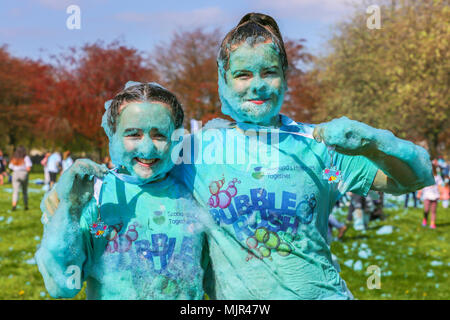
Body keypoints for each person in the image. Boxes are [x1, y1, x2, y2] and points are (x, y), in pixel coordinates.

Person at [169, 13, 434, 299]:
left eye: (269, 72)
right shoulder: (195, 152)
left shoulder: (318, 144)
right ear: (224, 79)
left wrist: (371, 144)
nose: (257, 84)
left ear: (284, 77)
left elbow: (410, 180)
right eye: (243, 74)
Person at [36, 82, 209, 300]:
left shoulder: (195, 192)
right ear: (113, 135)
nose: (147, 149)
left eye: (159, 136)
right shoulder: (95, 196)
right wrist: (69, 210)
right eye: (133, 135)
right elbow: (62, 286)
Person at [418, 164, 443, 229]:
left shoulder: (438, 177)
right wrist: (419, 193)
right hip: (426, 195)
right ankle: (425, 219)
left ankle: (432, 223)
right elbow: (422, 185)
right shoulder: (425, 177)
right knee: (426, 210)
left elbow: (440, 186)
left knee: (433, 211)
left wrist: (441, 194)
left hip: (435, 196)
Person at [8, 146, 32, 211]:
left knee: (15, 191)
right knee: (24, 191)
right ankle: (26, 206)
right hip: (23, 173)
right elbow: (28, 168)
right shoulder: (26, 157)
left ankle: (14, 205)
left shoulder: (14, 157)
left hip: (15, 174)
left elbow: (10, 167)